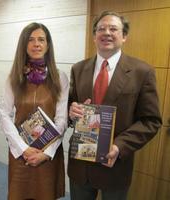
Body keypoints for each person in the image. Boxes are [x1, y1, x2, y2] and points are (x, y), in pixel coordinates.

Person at [68, 11, 162, 200]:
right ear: (94, 36)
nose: (107, 33)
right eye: (101, 29)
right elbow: (71, 103)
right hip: (81, 163)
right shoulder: (78, 68)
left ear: (124, 36)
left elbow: (151, 121)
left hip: (115, 164)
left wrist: (119, 146)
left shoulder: (141, 72)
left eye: (113, 29)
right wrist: (71, 110)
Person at [0, 22, 69, 199]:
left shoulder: (60, 77)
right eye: (31, 39)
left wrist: (46, 153)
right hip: (20, 152)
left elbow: (62, 119)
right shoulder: (14, 77)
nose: (36, 44)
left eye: (41, 39)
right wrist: (23, 149)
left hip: (48, 152)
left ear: (48, 45)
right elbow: (4, 114)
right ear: (24, 44)